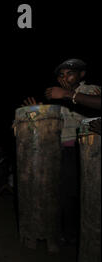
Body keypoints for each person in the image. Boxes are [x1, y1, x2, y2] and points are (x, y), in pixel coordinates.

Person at [23, 59, 101, 245]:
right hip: (60, 150)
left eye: (69, 73)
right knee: (60, 193)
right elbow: (49, 123)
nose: (64, 78)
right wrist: (35, 111)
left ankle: (77, 236)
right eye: (61, 75)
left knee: (80, 195)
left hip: (85, 149)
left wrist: (67, 94)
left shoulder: (90, 90)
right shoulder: (57, 97)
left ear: (81, 75)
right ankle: (62, 233)